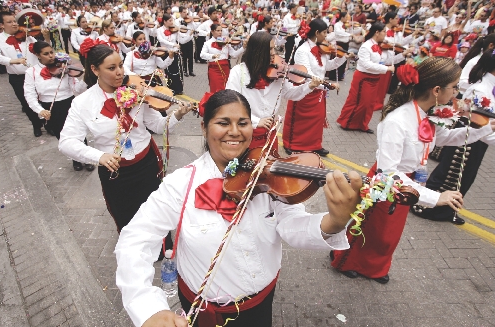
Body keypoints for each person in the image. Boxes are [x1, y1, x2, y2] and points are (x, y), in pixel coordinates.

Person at [114, 89, 363, 327]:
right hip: (204, 310)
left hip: (260, 303)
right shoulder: (180, 184)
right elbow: (135, 240)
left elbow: (291, 225)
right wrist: (149, 308)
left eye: (243, 123)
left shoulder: (268, 176)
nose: (235, 132)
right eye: (223, 123)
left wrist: (335, 221)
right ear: (204, 128)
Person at [331, 57, 495, 284]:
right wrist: (437, 197)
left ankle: (374, 267)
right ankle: (347, 261)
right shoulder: (398, 120)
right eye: (454, 87)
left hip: (407, 183)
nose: (457, 93)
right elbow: (388, 173)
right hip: (387, 183)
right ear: (436, 90)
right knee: (371, 228)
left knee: (389, 233)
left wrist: (482, 131)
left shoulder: (428, 114)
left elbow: (444, 138)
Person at [58, 39, 191, 233]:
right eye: (111, 68)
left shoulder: (137, 90)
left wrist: (177, 115)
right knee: (125, 214)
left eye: (121, 65)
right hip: (115, 171)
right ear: (95, 70)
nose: (120, 72)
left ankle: (161, 248)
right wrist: (99, 156)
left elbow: (158, 125)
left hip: (147, 162)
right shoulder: (83, 103)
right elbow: (66, 142)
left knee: (155, 210)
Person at [412, 50, 495, 224]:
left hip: (477, 136)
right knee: (450, 174)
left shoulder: (489, 86)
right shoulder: (480, 90)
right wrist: (486, 130)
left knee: (464, 177)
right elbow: (478, 122)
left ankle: (447, 212)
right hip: (469, 136)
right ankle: (426, 206)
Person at [226, 31, 322, 151]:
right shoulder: (238, 72)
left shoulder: (278, 72)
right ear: (257, 51)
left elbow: (290, 93)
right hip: (245, 131)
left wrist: (309, 86)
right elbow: (230, 104)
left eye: (274, 48)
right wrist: (256, 121)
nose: (274, 53)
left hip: (269, 131)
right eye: (269, 49)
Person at [282, 19, 347, 157]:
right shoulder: (303, 50)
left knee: (317, 120)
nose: (327, 36)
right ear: (317, 32)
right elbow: (308, 75)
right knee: (299, 121)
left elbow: (326, 67)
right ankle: (292, 144)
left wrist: (341, 57)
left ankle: (314, 145)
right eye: (324, 32)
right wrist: (328, 85)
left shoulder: (322, 49)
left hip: (319, 91)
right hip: (304, 90)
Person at [24, 41, 89, 170]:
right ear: (38, 55)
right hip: (50, 107)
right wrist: (40, 110)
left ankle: (86, 158)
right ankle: (75, 159)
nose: (51, 56)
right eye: (46, 54)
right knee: (62, 135)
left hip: (69, 103)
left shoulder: (64, 67)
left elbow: (76, 89)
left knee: (78, 132)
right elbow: (29, 94)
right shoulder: (31, 72)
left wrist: (86, 78)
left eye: (51, 52)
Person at [0, 11, 45, 137]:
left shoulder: (26, 34)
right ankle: (36, 125)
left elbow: (39, 48)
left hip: (36, 73)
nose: (14, 24)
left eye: (14, 21)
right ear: (1, 25)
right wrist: (11, 61)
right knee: (27, 103)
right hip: (18, 77)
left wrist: (45, 38)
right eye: (9, 22)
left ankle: (47, 123)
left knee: (42, 98)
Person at [336, 23, 397, 133]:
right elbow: (366, 64)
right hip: (363, 78)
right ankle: (348, 122)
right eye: (384, 31)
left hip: (374, 78)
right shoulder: (366, 46)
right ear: (377, 32)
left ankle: (362, 125)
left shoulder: (379, 46)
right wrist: (386, 69)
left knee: (369, 104)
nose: (385, 34)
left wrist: (401, 54)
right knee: (359, 102)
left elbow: (387, 61)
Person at [200, 23, 245, 93]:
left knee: (226, 88)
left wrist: (243, 48)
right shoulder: (208, 43)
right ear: (212, 31)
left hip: (225, 68)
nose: (220, 32)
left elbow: (234, 54)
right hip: (214, 69)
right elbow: (202, 55)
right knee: (216, 90)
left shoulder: (226, 42)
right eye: (218, 31)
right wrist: (212, 56)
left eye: (221, 30)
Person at [156, 13, 184, 95]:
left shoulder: (174, 30)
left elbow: (178, 40)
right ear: (164, 21)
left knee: (177, 71)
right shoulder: (159, 30)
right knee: (168, 72)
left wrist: (180, 32)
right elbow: (161, 40)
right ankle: (171, 89)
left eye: (172, 20)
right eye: (170, 21)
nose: (172, 22)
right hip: (166, 52)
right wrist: (172, 45)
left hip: (174, 51)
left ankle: (179, 88)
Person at [328, 12, 353, 81]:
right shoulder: (337, 25)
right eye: (346, 17)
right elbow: (338, 33)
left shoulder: (346, 25)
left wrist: (350, 28)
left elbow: (351, 32)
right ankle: (333, 75)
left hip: (346, 43)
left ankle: (340, 75)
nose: (347, 19)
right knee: (337, 58)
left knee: (344, 59)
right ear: (342, 17)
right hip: (340, 43)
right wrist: (349, 34)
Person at [176, 6, 196, 77]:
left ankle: (191, 71)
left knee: (191, 56)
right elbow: (178, 31)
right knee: (184, 57)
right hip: (183, 40)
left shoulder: (189, 20)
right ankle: (185, 71)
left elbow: (193, 28)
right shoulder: (177, 21)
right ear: (180, 12)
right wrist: (185, 36)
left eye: (186, 12)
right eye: (184, 12)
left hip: (190, 40)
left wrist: (192, 21)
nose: (185, 14)